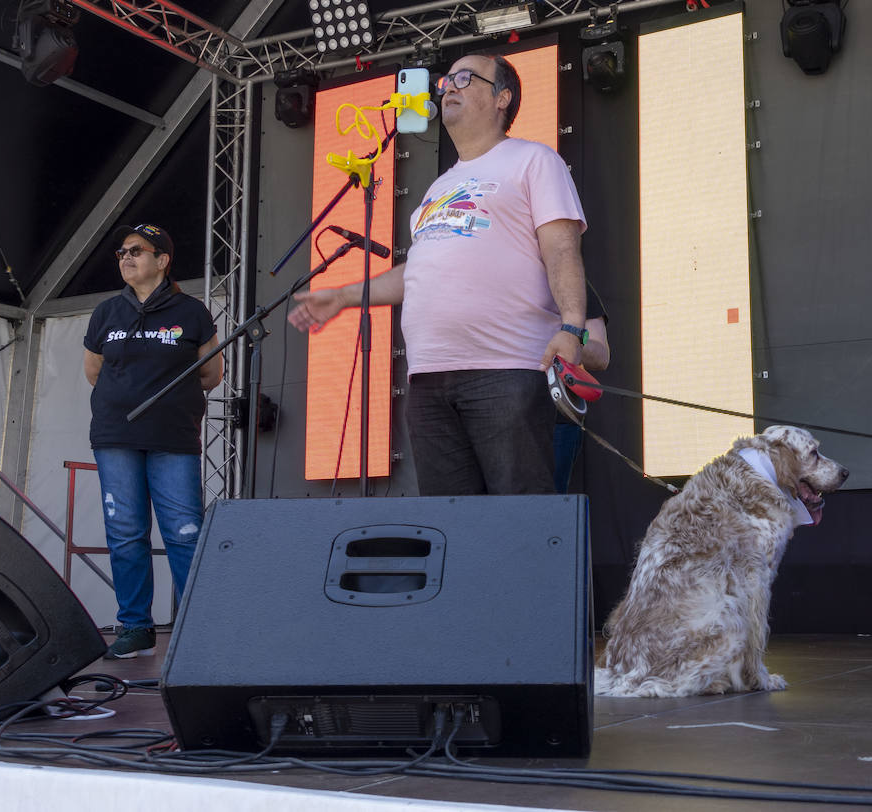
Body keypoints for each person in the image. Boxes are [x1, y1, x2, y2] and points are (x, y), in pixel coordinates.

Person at [289, 53, 587, 496]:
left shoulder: (533, 160)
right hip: (429, 380)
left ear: (502, 97)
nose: (450, 86)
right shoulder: (438, 187)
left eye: (467, 78)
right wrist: (344, 296)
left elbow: (562, 247)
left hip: (506, 370)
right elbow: (420, 271)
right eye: (448, 79)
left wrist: (572, 327)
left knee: (517, 524)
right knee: (450, 528)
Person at [83, 223, 223, 659]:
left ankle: (199, 626)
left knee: (184, 531)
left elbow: (211, 374)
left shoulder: (192, 311)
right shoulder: (107, 311)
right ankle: (135, 627)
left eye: (136, 250)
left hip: (172, 438)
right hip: (115, 436)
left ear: (162, 260)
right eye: (121, 251)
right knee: (125, 533)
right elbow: (93, 371)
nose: (126, 257)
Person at [554, 282, 610, 493]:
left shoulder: (573, 284)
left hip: (556, 415)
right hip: (487, 407)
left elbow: (600, 356)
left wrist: (570, 340)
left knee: (546, 503)